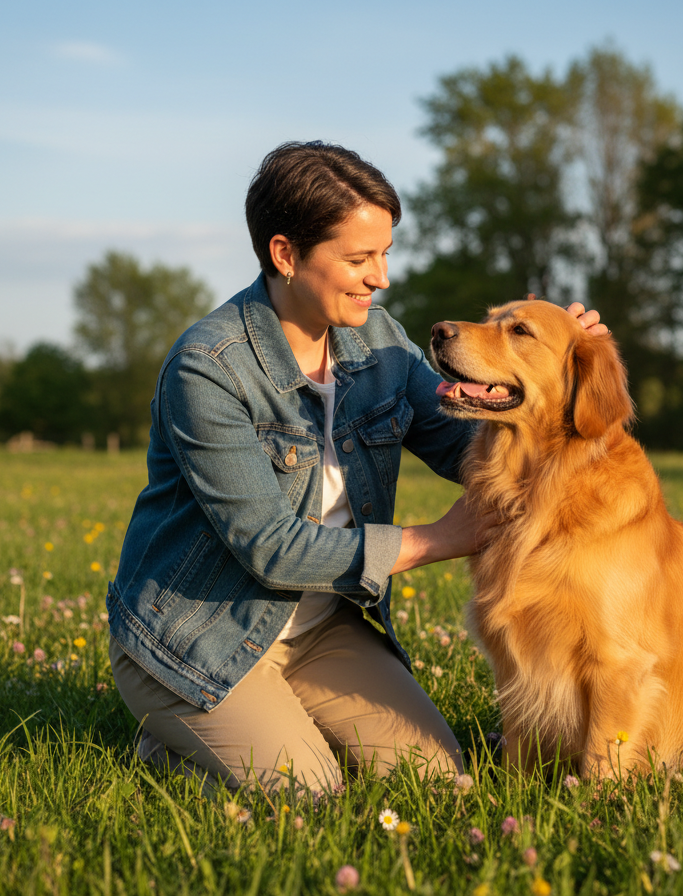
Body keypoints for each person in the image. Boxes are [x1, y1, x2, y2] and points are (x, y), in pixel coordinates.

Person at [106, 141, 606, 795]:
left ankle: (261, 727)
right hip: (201, 639)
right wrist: (440, 540)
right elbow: (271, 548)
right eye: (358, 258)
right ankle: (169, 738)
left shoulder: (380, 341)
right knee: (309, 793)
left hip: (321, 629)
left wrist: (549, 372)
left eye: (385, 253)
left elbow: (466, 449)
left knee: (437, 782)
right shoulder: (210, 367)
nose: (381, 276)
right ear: (286, 255)